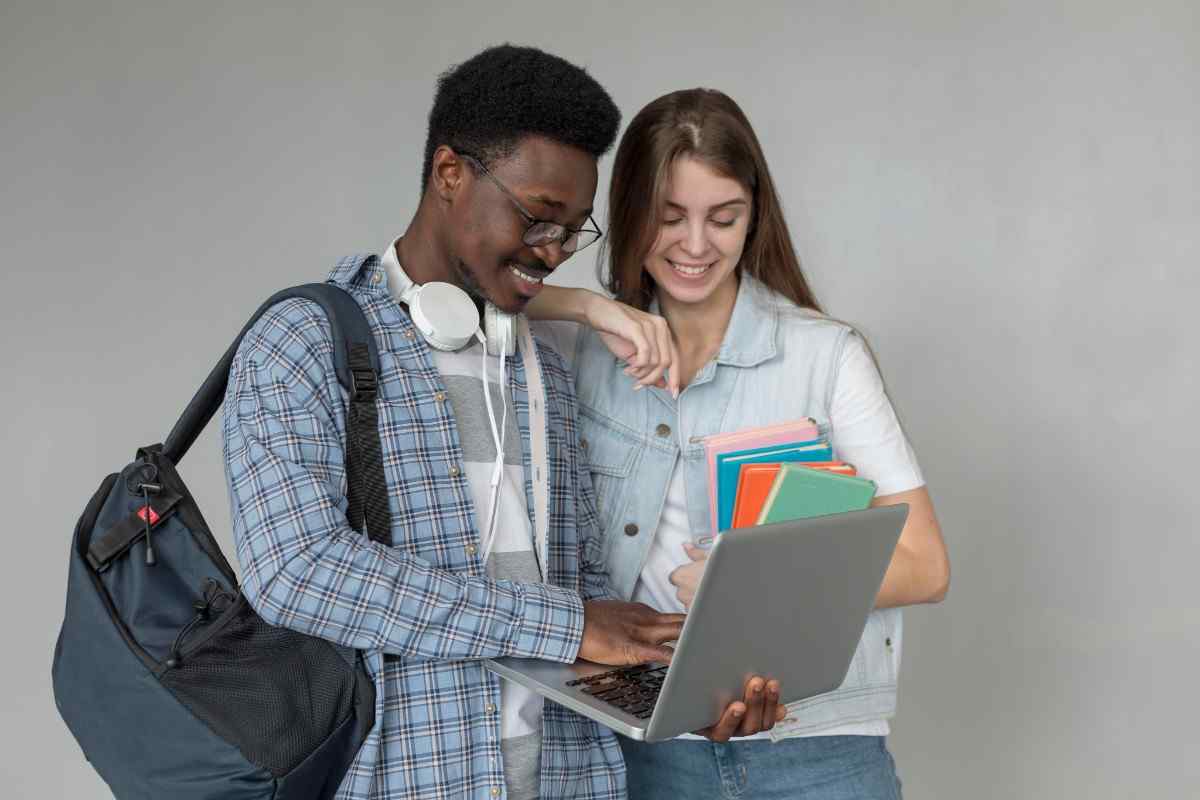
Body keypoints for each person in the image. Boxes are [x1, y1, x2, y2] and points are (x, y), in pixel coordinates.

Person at [222, 51, 782, 800]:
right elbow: (297, 572)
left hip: (569, 782)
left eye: (572, 231)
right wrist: (566, 624)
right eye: (536, 218)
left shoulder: (540, 361)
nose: (552, 253)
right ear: (450, 175)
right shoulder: (301, 342)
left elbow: (580, 591)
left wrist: (678, 694)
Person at [528, 88, 951, 798]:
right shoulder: (576, 348)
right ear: (629, 212)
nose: (696, 246)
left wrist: (746, 587)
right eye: (669, 218)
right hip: (637, 752)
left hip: (817, 752)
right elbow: (448, 290)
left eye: (724, 218)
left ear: (754, 217)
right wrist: (588, 304)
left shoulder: (825, 356)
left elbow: (926, 566)